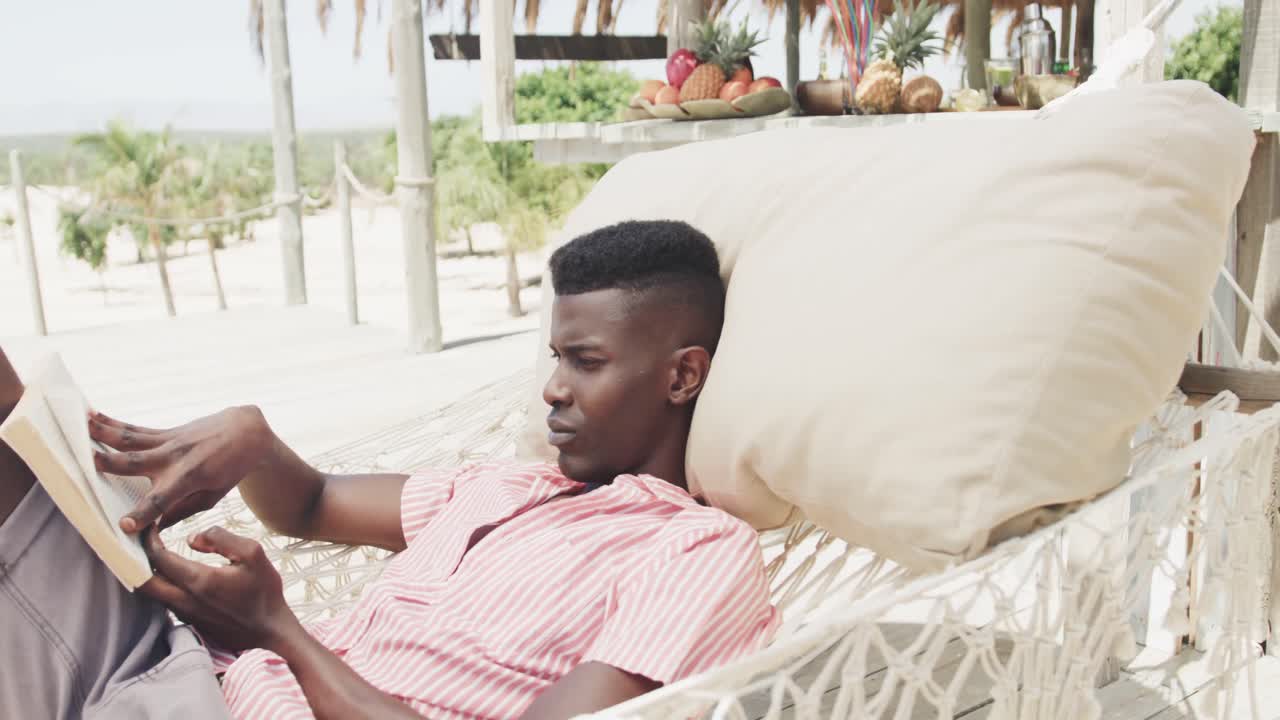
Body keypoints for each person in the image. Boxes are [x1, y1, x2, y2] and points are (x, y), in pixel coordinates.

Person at [0, 220, 780, 720]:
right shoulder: (505, 486)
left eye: (586, 361)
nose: (553, 386)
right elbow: (310, 504)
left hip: (233, 696)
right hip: (174, 667)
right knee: (13, 426)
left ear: (682, 377)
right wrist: (252, 439)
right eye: (554, 357)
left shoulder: (696, 550)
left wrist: (277, 631)